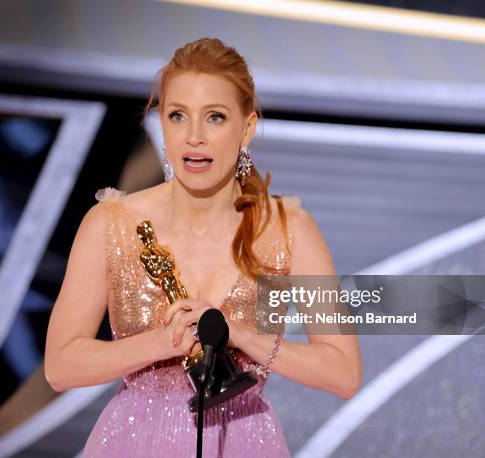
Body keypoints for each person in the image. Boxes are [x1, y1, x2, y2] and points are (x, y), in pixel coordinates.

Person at [44, 37, 362, 457]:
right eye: (178, 116)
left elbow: (343, 372)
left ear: (246, 128)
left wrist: (241, 335)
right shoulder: (110, 224)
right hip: (133, 443)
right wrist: (162, 344)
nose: (194, 137)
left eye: (214, 117)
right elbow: (61, 366)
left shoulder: (289, 230)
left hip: (245, 440)